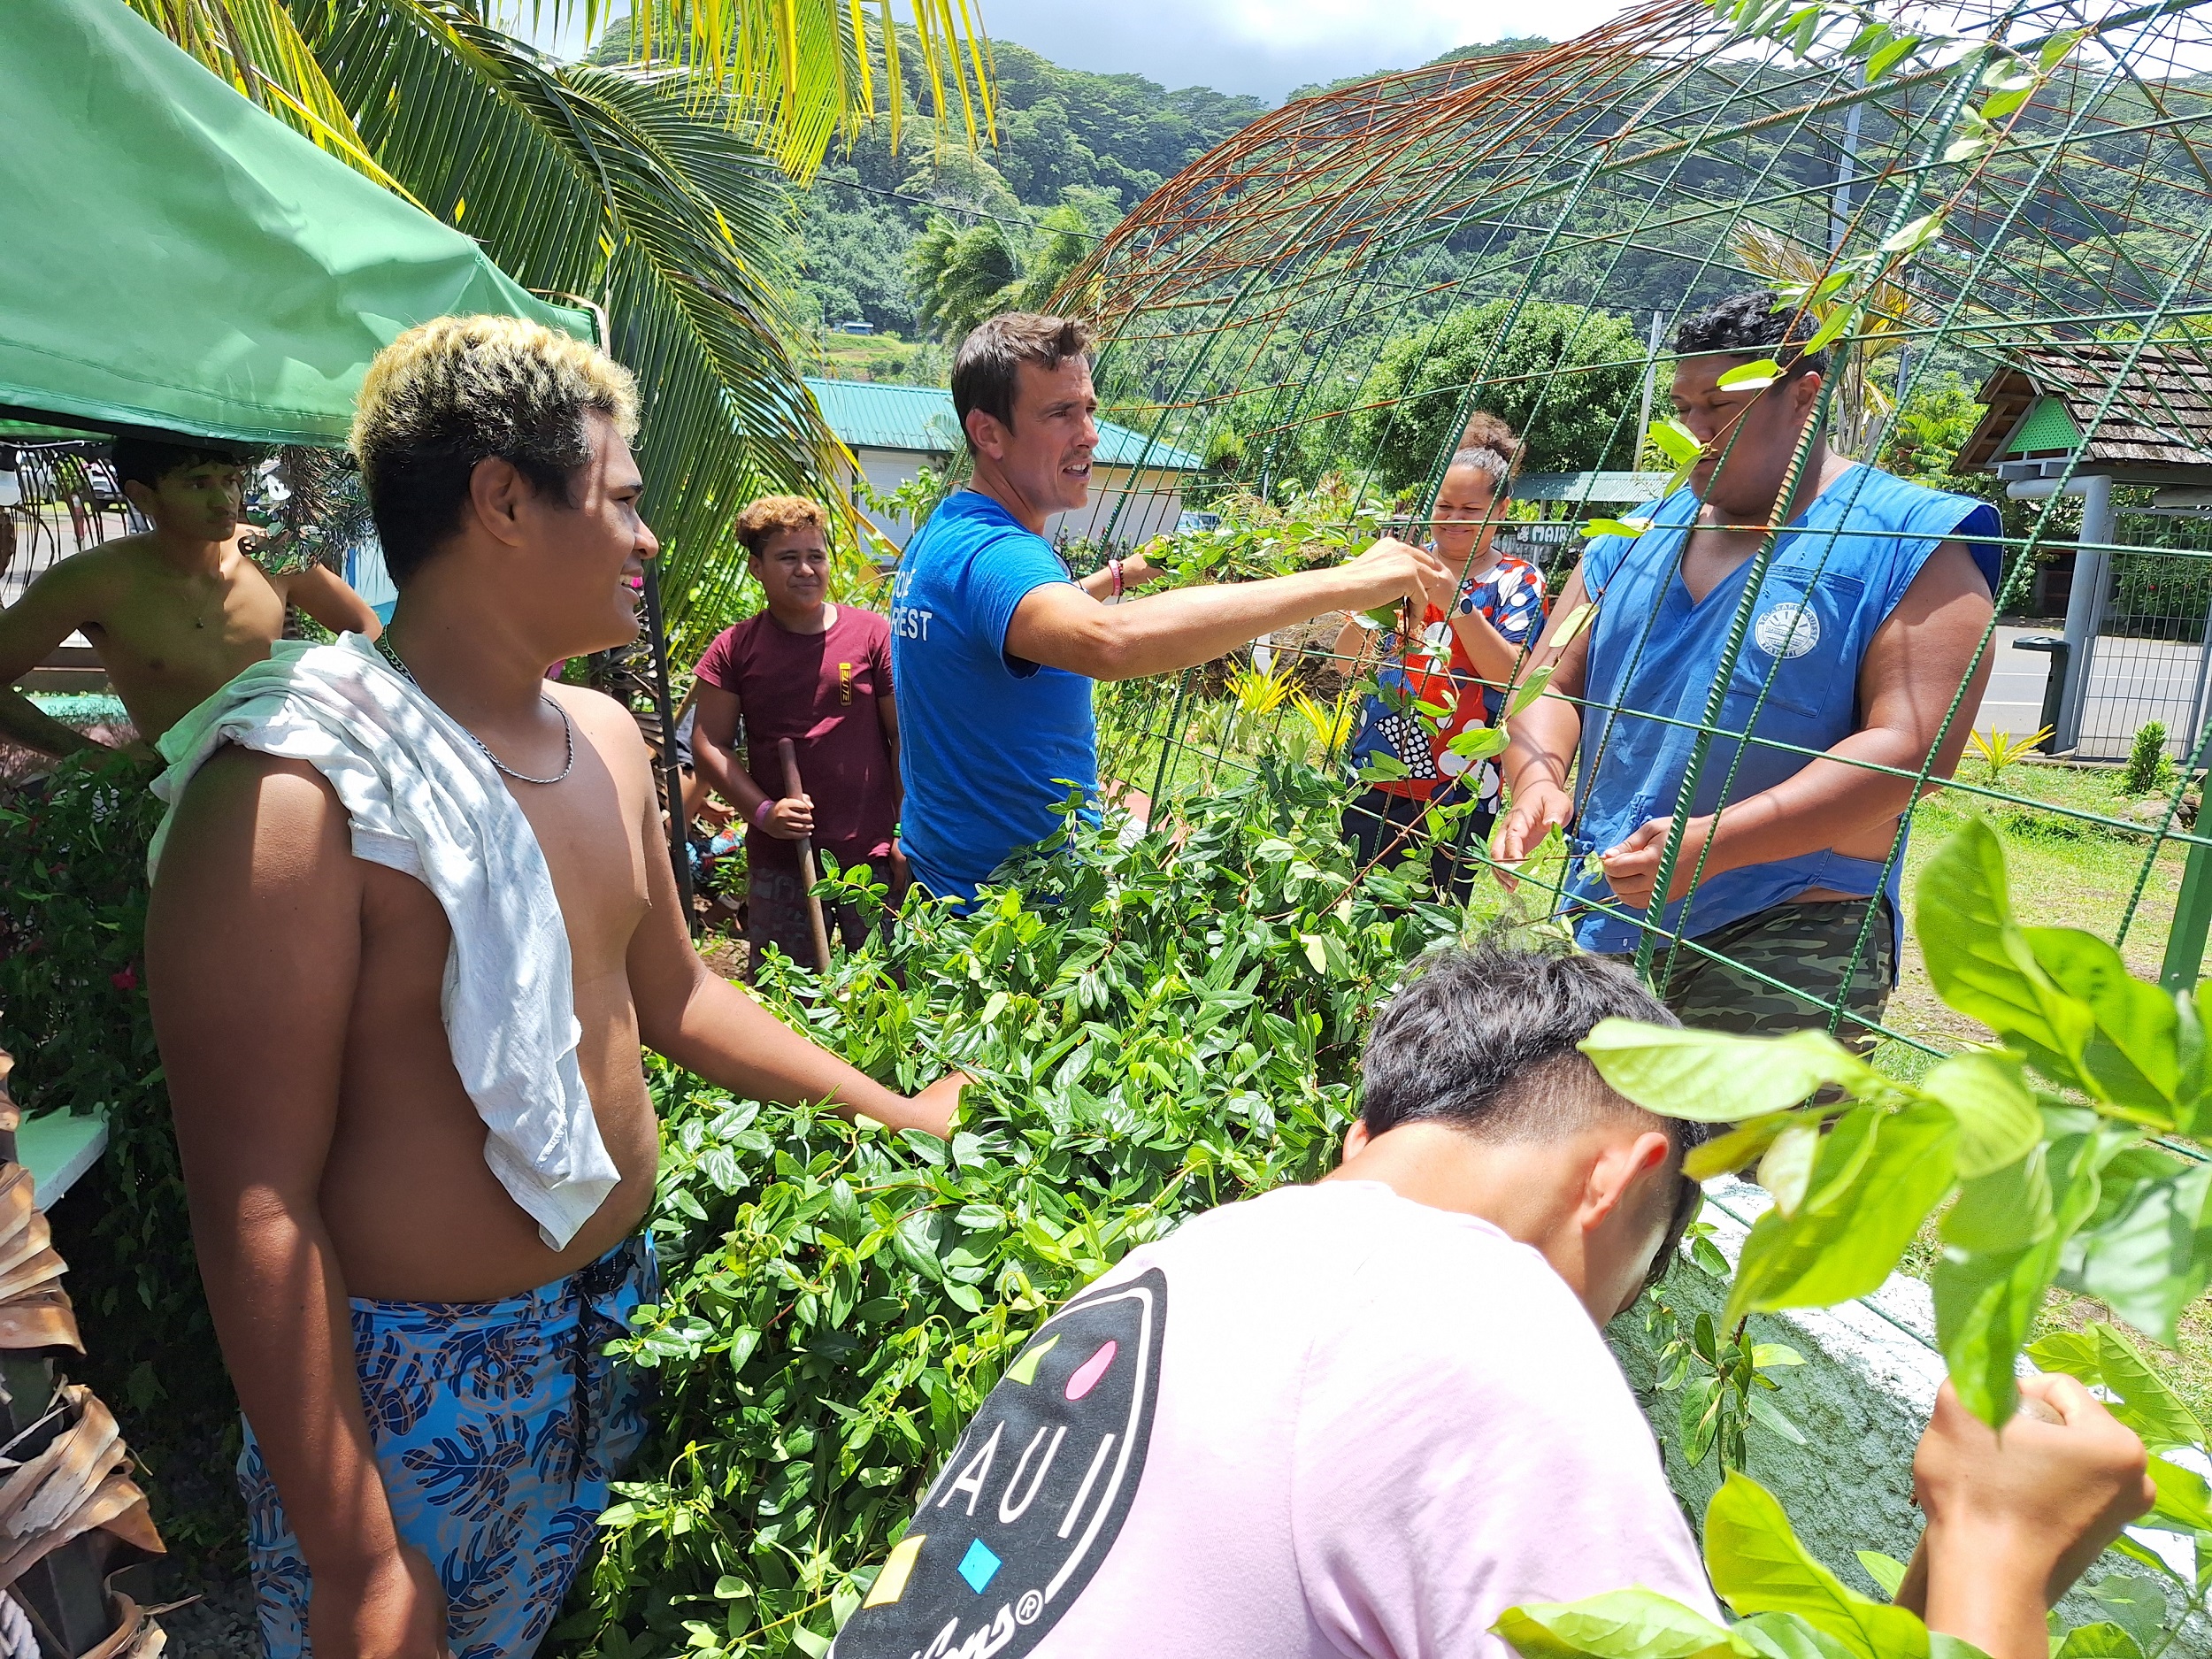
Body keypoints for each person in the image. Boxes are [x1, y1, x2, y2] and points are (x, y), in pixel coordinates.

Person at [142, 315, 966, 1659]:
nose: (650, 540)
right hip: (414, 1401)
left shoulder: (601, 738)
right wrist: (357, 1553)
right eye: (627, 497)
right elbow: (255, 1198)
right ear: (503, 500)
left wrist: (895, 1106)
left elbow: (679, 996)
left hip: (619, 1333)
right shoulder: (297, 797)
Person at [827, 940, 2152, 1659]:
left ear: (1364, 1134)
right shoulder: (1474, 1313)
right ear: (1623, 1180)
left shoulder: (1183, 1262)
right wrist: (1995, 1542)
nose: (1615, 1322)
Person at [1497, 291, 2001, 1045]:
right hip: (1617, 915)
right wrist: (1539, 778)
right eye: (1683, 405)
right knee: (1621, 1157)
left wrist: (1718, 842)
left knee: (1751, 1160)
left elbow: (1913, 748)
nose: (1694, 430)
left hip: (1793, 927)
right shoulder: (1629, 538)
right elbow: (1550, 685)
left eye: (1720, 406)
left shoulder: (1908, 539)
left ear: (1804, 395)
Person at [889, 311, 1453, 905]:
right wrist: (1346, 582)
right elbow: (1106, 641)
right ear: (990, 434)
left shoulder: (948, 534)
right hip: (997, 922)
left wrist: (1123, 573)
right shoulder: (993, 552)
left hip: (959, 888)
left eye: (1089, 407)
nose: (1090, 433)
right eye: (1060, 413)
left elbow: (1017, 629)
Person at [0, 435, 384, 759]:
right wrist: (97, 761)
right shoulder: (95, 580)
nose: (224, 501)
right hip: (172, 802)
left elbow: (367, 629)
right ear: (143, 497)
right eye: (198, 485)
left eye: (231, 481)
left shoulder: (270, 555)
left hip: (287, 782)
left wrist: (332, 711)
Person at [1335, 414, 1547, 900]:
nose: (1453, 520)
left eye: (1470, 509)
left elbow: (1511, 676)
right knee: (1356, 906)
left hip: (1464, 782)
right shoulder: (1399, 567)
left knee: (1437, 916)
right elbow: (1351, 664)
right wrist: (1363, 609)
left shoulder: (1520, 580)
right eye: (1444, 506)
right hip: (1378, 765)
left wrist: (1457, 603)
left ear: (1502, 509)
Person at [689, 495, 900, 972]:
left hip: (870, 858)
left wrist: (904, 832)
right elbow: (708, 745)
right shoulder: (735, 648)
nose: (806, 569)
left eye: (816, 556)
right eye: (788, 558)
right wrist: (764, 812)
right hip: (784, 863)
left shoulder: (870, 636)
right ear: (756, 568)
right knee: (793, 997)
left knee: (889, 995)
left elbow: (902, 738)